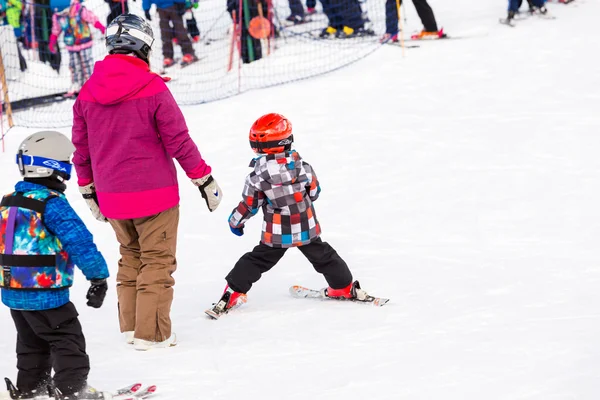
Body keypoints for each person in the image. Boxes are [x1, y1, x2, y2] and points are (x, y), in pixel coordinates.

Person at [71, 14, 222, 350]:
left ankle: (130, 327)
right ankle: (151, 334)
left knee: (130, 255)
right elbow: (178, 141)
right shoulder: (152, 88)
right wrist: (204, 179)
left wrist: (88, 189)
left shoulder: (86, 93)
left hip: (112, 196)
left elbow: (81, 149)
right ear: (144, 45)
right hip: (155, 196)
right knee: (157, 260)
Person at [207, 113, 372, 318]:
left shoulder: (256, 177)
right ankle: (343, 287)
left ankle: (232, 293)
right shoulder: (303, 167)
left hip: (277, 234)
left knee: (256, 261)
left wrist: (236, 221)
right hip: (305, 227)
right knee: (325, 257)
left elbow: (250, 205)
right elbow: (314, 192)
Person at [0, 131, 110, 400]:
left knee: (31, 342)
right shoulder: (51, 204)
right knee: (67, 340)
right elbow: (79, 241)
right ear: (53, 167)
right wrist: (98, 277)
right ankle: (71, 389)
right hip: (46, 293)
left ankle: (30, 387)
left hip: (13, 292)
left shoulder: (7, 202)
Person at [49, 0, 106, 96]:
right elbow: (56, 29)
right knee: (74, 65)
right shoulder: (57, 16)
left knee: (86, 64)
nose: (62, 14)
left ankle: (91, 85)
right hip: (71, 45)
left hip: (84, 43)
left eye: (64, 11)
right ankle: (77, 85)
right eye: (59, 13)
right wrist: (52, 41)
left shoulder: (79, 9)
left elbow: (92, 18)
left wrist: (101, 27)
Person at [142, 0, 197, 67]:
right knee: (165, 33)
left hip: (174, 5)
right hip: (160, 8)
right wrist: (146, 9)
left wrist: (181, 3)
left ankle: (188, 53)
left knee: (179, 30)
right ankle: (168, 56)